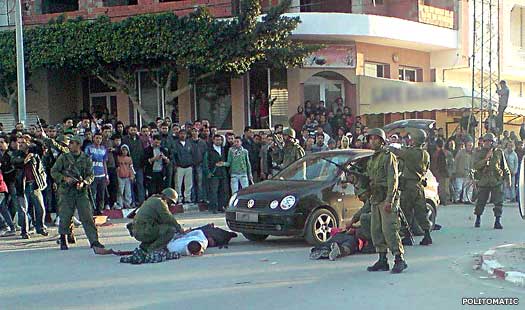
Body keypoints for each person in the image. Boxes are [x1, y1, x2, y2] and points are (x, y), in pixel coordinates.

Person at [51, 135, 104, 250]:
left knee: (87, 216)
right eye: (70, 143)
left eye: (73, 143)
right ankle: (64, 238)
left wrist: (84, 182)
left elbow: (91, 175)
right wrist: (65, 178)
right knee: (65, 215)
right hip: (66, 191)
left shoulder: (86, 158)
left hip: (81, 191)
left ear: (79, 145)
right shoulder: (64, 158)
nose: (70, 145)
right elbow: (54, 172)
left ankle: (94, 241)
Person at [365, 128, 406, 274]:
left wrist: (390, 200)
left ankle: (399, 259)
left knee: (390, 230)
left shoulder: (389, 157)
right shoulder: (372, 159)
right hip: (376, 198)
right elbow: (369, 178)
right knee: (376, 230)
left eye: (375, 139)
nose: (372, 141)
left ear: (382, 141)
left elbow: (393, 180)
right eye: (370, 139)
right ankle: (382, 259)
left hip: (387, 198)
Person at [391, 129, 432, 246]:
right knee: (421, 211)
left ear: (414, 140)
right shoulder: (425, 154)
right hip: (418, 186)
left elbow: (398, 152)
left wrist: (389, 146)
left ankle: (407, 236)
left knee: (406, 211)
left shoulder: (411, 153)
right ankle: (427, 234)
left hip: (408, 186)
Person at [472, 133, 511, 229]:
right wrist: (486, 159)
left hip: (496, 180)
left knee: (498, 201)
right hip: (484, 180)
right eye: (486, 141)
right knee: (481, 201)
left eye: (490, 141)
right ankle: (478, 218)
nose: (487, 143)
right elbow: (475, 166)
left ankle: (497, 221)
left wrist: (508, 178)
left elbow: (504, 166)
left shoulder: (499, 152)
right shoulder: (479, 153)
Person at [128, 188, 183, 253]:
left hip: (138, 230)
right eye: (170, 201)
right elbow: (168, 218)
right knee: (170, 230)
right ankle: (153, 249)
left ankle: (145, 246)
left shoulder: (152, 199)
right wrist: (179, 229)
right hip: (143, 231)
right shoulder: (160, 202)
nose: (170, 204)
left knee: (160, 228)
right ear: (166, 197)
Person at [84, 132, 109, 215]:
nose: (98, 140)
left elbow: (104, 162)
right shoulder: (89, 148)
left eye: (100, 138)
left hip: (101, 175)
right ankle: (91, 210)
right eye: (97, 138)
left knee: (101, 194)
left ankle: (100, 210)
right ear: (93, 138)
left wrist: (106, 175)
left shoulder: (103, 149)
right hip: (92, 175)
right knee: (92, 194)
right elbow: (85, 162)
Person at [204, 135, 229, 214]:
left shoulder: (224, 149)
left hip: (223, 173)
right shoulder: (209, 150)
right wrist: (208, 172)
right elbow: (205, 162)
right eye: (217, 140)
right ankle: (213, 207)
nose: (218, 141)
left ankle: (221, 207)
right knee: (214, 191)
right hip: (214, 173)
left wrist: (223, 164)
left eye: (220, 140)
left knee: (223, 191)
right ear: (213, 140)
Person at [123, 125, 146, 205]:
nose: (133, 131)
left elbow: (142, 152)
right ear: (128, 130)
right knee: (130, 185)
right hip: (129, 166)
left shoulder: (140, 139)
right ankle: (132, 202)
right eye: (131, 130)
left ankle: (141, 202)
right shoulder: (125, 139)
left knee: (140, 183)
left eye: (135, 130)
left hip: (139, 165)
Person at [173, 129, 194, 203]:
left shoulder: (189, 143)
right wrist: (175, 165)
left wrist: (192, 164)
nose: (182, 135)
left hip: (189, 166)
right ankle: (179, 198)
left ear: (186, 135)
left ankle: (187, 198)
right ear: (178, 135)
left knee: (188, 184)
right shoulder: (175, 144)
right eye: (181, 134)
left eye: (184, 134)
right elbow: (173, 155)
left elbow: (192, 154)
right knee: (178, 184)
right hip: (179, 166)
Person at [453, 137, 474, 203]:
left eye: (471, 146)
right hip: (459, 173)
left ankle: (466, 199)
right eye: (469, 145)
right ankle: (457, 199)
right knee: (458, 188)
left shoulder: (473, 154)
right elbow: (455, 162)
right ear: (466, 145)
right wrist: (454, 171)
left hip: (468, 174)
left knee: (468, 189)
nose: (470, 147)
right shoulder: (460, 152)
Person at [116, 145, 135, 209]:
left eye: (126, 150)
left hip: (127, 177)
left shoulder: (129, 159)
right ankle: (120, 204)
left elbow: (131, 167)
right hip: (120, 176)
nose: (124, 151)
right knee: (120, 191)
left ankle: (128, 203)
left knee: (128, 191)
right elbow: (117, 167)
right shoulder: (118, 158)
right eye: (123, 150)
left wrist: (132, 175)